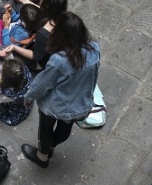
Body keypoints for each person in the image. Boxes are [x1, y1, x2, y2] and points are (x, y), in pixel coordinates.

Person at [11, 12, 100, 168]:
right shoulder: (94, 49)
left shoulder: (60, 60)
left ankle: (42, 156)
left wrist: (28, 97)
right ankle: (51, 146)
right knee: (64, 130)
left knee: (45, 130)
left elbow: (43, 84)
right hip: (78, 105)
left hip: (54, 106)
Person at [0, 0, 67, 72]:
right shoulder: (63, 16)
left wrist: (14, 47)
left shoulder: (43, 32)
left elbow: (36, 56)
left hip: (45, 61)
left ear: (46, 6)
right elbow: (39, 10)